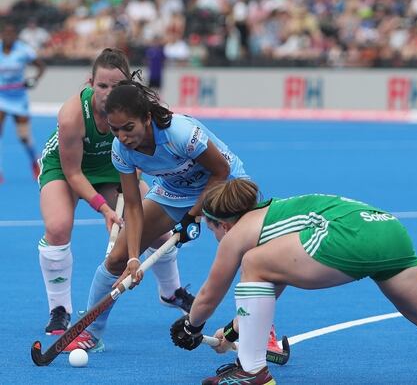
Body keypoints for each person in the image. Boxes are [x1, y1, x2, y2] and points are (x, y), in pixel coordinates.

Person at [170, 178, 417, 385]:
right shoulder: (276, 216)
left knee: (253, 261)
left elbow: (212, 290)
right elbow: (269, 286)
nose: (217, 238)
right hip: (387, 229)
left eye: (212, 230)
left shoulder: (241, 232)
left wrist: (192, 327)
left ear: (220, 221)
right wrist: (235, 329)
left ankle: (252, 372)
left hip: (346, 237)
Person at [63, 81, 251, 353]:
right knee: (115, 258)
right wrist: (133, 258)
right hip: (175, 189)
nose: (123, 137)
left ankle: (261, 331)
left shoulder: (180, 133)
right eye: (115, 130)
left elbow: (220, 171)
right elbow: (133, 205)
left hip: (225, 183)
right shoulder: (121, 150)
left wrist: (192, 216)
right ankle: (90, 332)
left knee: (251, 256)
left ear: (147, 118)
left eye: (129, 128)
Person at [37, 48, 195, 337]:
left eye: (116, 86)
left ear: (128, 86)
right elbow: (73, 173)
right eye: (102, 86)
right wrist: (105, 209)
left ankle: (171, 292)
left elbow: (143, 155)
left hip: (113, 168)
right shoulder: (72, 115)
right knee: (58, 227)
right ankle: (60, 310)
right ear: (90, 83)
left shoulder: (137, 109)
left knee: (159, 229)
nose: (109, 93)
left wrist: (131, 182)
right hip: (66, 168)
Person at [0, 22, 47, 183]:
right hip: (1, 96)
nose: (8, 37)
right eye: (5, 33)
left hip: (18, 97)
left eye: (11, 33)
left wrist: (34, 79)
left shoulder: (23, 50)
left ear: (15, 36)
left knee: (24, 136)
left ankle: (35, 162)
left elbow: (41, 66)